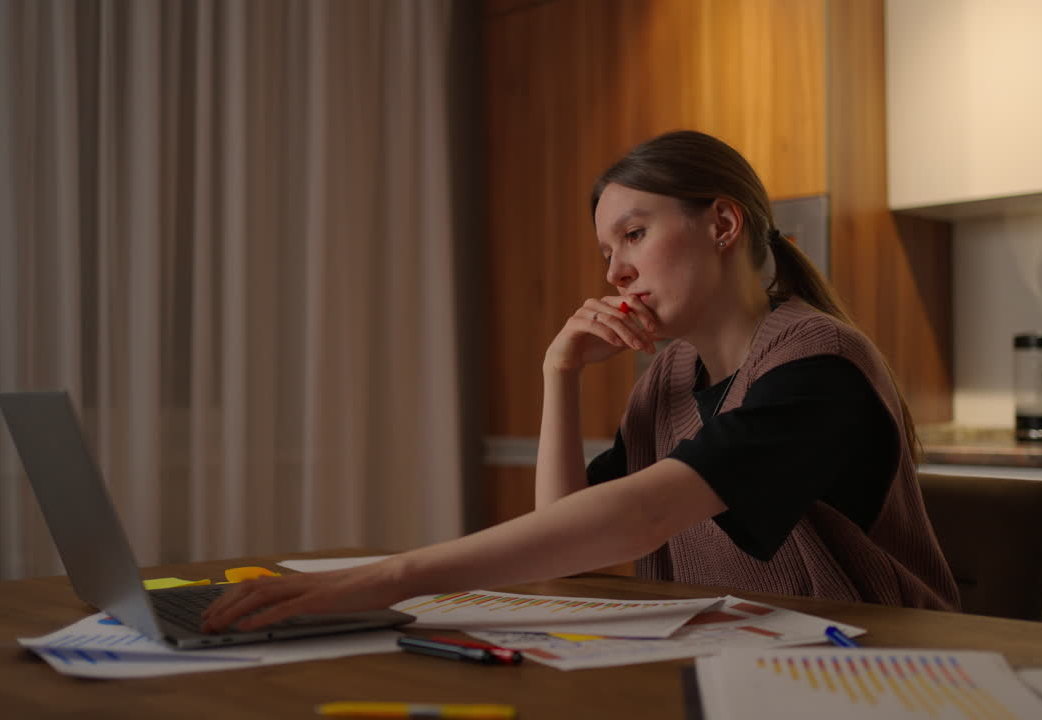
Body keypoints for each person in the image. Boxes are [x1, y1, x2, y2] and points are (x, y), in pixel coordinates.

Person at [202, 130, 958, 633]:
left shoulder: (818, 366)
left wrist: (386, 579)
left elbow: (637, 520)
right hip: (743, 666)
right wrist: (556, 375)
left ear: (722, 226)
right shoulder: (670, 376)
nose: (614, 271)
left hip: (872, 679)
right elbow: (568, 535)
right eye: (605, 249)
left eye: (634, 233)